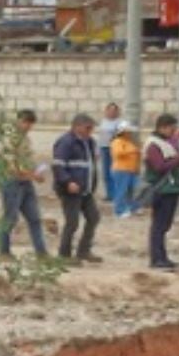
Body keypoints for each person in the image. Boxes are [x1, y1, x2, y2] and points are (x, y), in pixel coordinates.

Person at [141, 113, 179, 271]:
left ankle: (163, 257)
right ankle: (156, 259)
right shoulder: (153, 145)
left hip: (171, 189)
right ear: (162, 127)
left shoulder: (166, 143)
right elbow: (160, 167)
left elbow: (174, 166)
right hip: (162, 190)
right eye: (172, 128)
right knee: (159, 225)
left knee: (165, 225)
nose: (174, 131)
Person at [52, 113, 102, 264]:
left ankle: (83, 251)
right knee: (72, 222)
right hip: (70, 190)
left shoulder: (90, 142)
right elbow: (58, 165)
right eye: (88, 128)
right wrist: (68, 182)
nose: (90, 131)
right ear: (77, 126)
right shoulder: (66, 142)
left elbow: (90, 163)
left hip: (85, 190)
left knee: (93, 217)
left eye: (92, 128)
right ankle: (64, 255)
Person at [0, 109, 47, 258]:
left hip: (26, 183)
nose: (27, 126)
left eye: (30, 123)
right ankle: (4, 251)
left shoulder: (26, 140)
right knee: (10, 219)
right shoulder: (9, 140)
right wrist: (32, 175)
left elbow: (28, 161)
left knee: (34, 218)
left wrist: (36, 173)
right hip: (12, 182)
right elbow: (11, 166)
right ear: (18, 121)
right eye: (25, 122)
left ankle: (41, 252)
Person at [109, 121, 141, 218]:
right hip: (121, 170)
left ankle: (131, 207)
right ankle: (119, 211)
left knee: (130, 190)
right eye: (128, 131)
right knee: (121, 191)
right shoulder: (117, 142)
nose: (130, 133)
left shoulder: (129, 142)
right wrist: (133, 150)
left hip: (131, 170)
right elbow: (118, 153)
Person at [93, 102, 122, 201]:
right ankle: (109, 194)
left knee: (114, 172)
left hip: (114, 149)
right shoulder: (103, 122)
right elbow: (100, 137)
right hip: (103, 148)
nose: (111, 112)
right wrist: (97, 150)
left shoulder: (119, 123)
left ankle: (116, 194)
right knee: (105, 173)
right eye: (109, 110)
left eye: (114, 110)